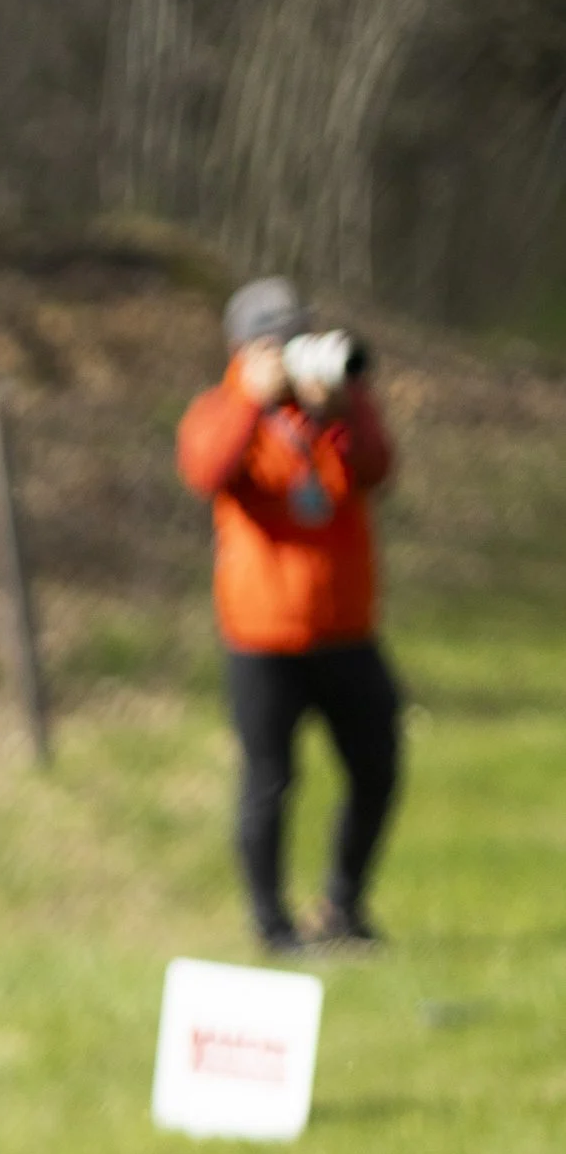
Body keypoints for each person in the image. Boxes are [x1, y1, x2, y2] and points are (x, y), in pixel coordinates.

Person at [176, 275, 400, 952]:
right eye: (279, 341)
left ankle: (343, 906)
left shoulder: (332, 413)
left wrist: (345, 405)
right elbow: (206, 470)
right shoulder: (222, 410)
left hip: (347, 631)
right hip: (263, 638)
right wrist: (253, 398)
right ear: (244, 349)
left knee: (378, 767)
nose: (296, 351)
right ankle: (272, 926)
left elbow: (379, 467)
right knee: (269, 781)